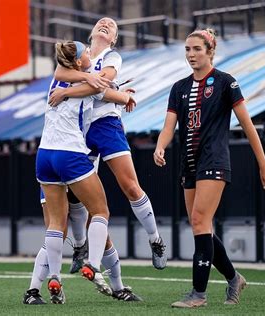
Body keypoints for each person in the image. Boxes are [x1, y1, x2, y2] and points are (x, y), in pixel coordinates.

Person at [153, 28, 265, 308]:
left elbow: (247, 125)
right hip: (189, 163)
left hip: (215, 161)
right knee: (201, 226)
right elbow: (168, 127)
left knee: (199, 221)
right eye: (187, 49)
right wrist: (160, 146)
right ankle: (234, 278)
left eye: (196, 49)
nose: (191, 54)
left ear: (210, 51)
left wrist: (263, 165)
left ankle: (198, 294)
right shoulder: (179, 88)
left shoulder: (225, 83)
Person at [49, 17, 167, 270]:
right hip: (79, 129)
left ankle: (155, 239)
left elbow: (99, 87)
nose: (105, 24)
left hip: (105, 124)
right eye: (101, 22)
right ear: (91, 32)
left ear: (113, 39)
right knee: (75, 195)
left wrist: (69, 90)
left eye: (112, 25)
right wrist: (119, 94)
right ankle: (80, 245)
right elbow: (60, 72)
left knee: (130, 186)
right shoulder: (79, 52)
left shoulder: (112, 57)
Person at [31, 40, 136, 304]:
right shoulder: (91, 82)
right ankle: (93, 263)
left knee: (56, 223)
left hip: (44, 155)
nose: (91, 54)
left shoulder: (59, 80)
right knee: (100, 211)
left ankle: (53, 278)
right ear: (78, 61)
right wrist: (124, 95)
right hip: (70, 154)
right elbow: (109, 92)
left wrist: (111, 88)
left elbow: (62, 74)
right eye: (87, 52)